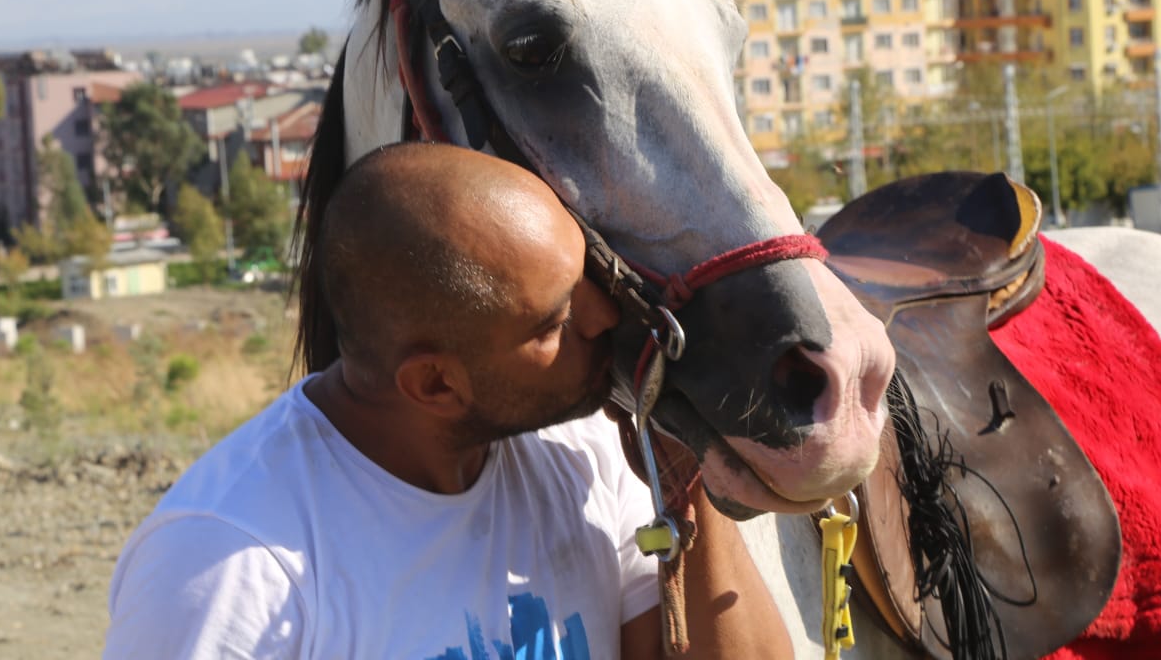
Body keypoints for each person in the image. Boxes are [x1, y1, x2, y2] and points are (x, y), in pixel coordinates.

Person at [103, 142, 790, 659]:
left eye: (584, 277)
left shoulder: (583, 455)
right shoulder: (230, 564)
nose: (601, 319)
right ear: (434, 384)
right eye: (552, 323)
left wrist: (685, 485)